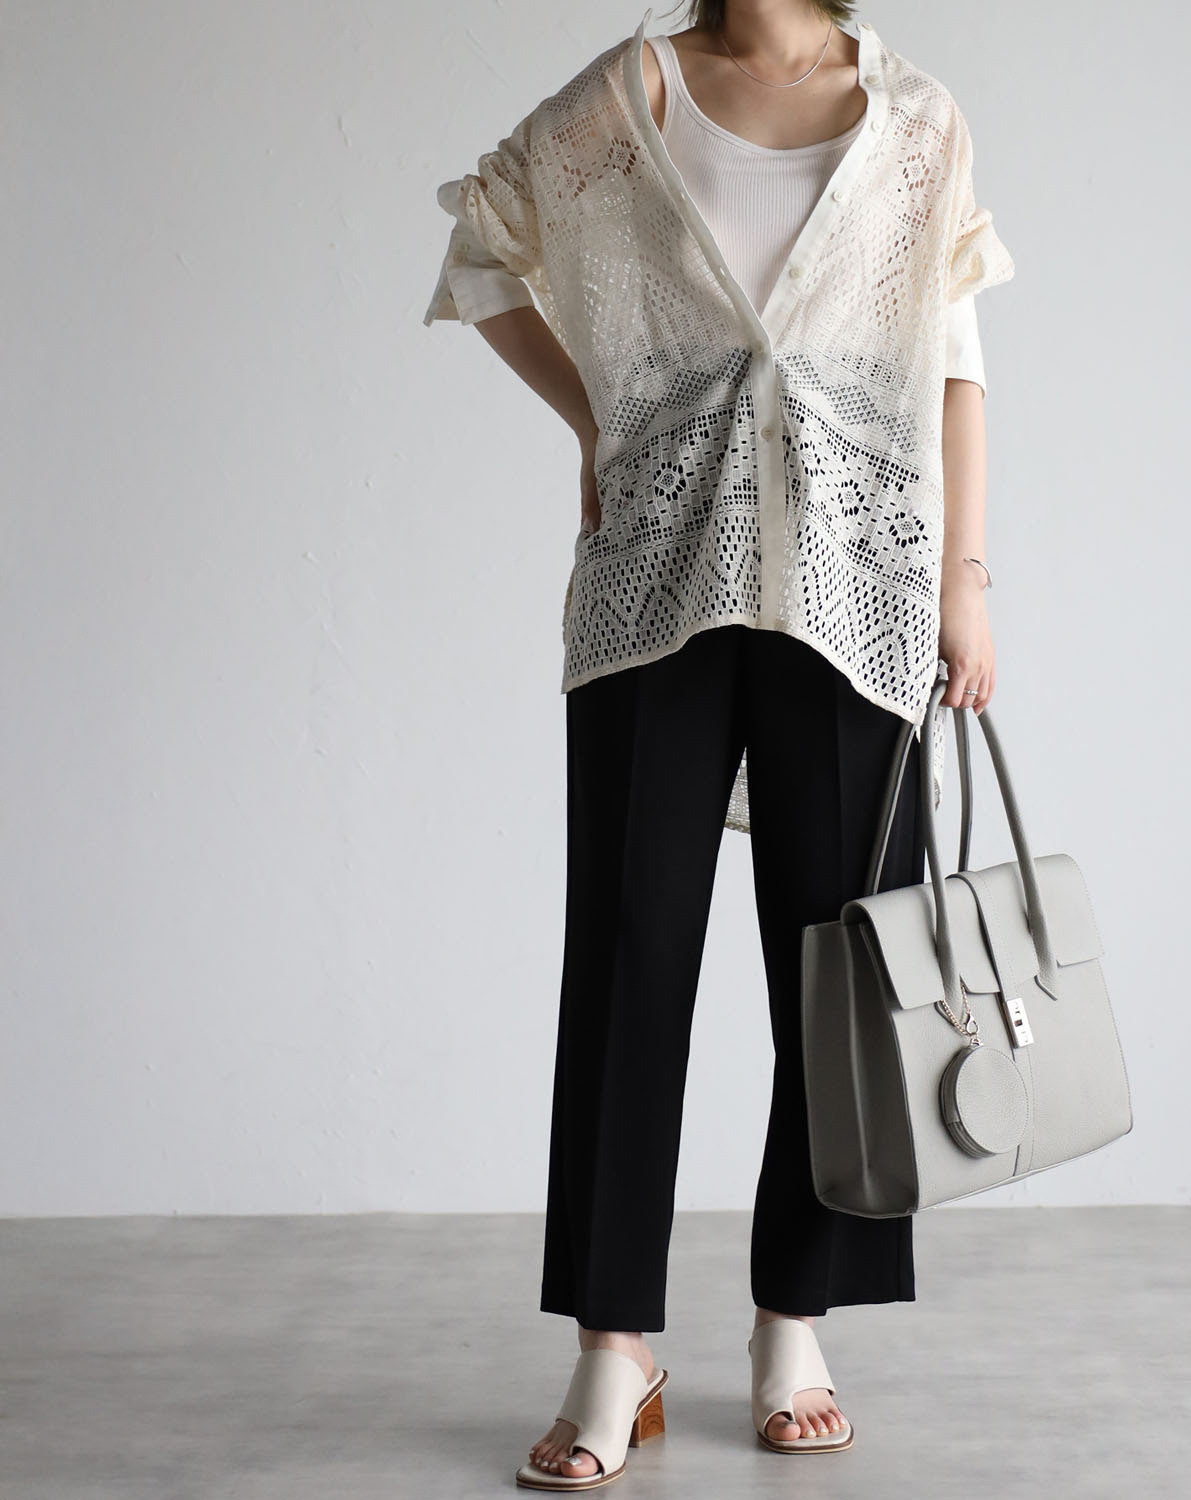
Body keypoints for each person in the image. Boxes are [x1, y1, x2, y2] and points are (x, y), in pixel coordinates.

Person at [423, 0, 1015, 1486]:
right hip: (655, 581)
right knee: (630, 957)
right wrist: (594, 423)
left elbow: (953, 352)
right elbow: (486, 248)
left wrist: (965, 580)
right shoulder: (634, 94)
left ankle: (793, 1323)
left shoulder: (916, 119)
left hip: (859, 586)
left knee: (843, 972)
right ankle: (613, 1346)